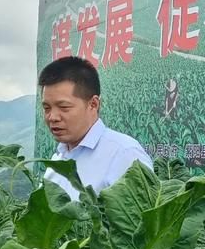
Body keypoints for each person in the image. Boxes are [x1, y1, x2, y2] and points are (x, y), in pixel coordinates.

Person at [39, 56, 153, 199]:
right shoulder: (58, 158)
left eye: (64, 107)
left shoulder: (125, 155)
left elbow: (140, 217)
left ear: (93, 104)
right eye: (46, 108)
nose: (52, 117)